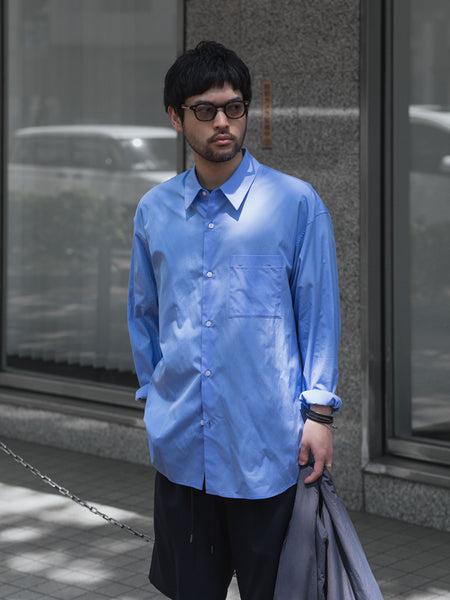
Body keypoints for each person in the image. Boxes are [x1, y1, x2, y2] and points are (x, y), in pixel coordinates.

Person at [128, 40, 341, 600]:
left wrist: (320, 415)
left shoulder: (296, 204)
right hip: (182, 452)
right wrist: (154, 401)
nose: (222, 122)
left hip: (268, 452)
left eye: (234, 107)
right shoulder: (154, 210)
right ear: (176, 117)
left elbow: (318, 316)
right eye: (205, 109)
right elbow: (144, 314)